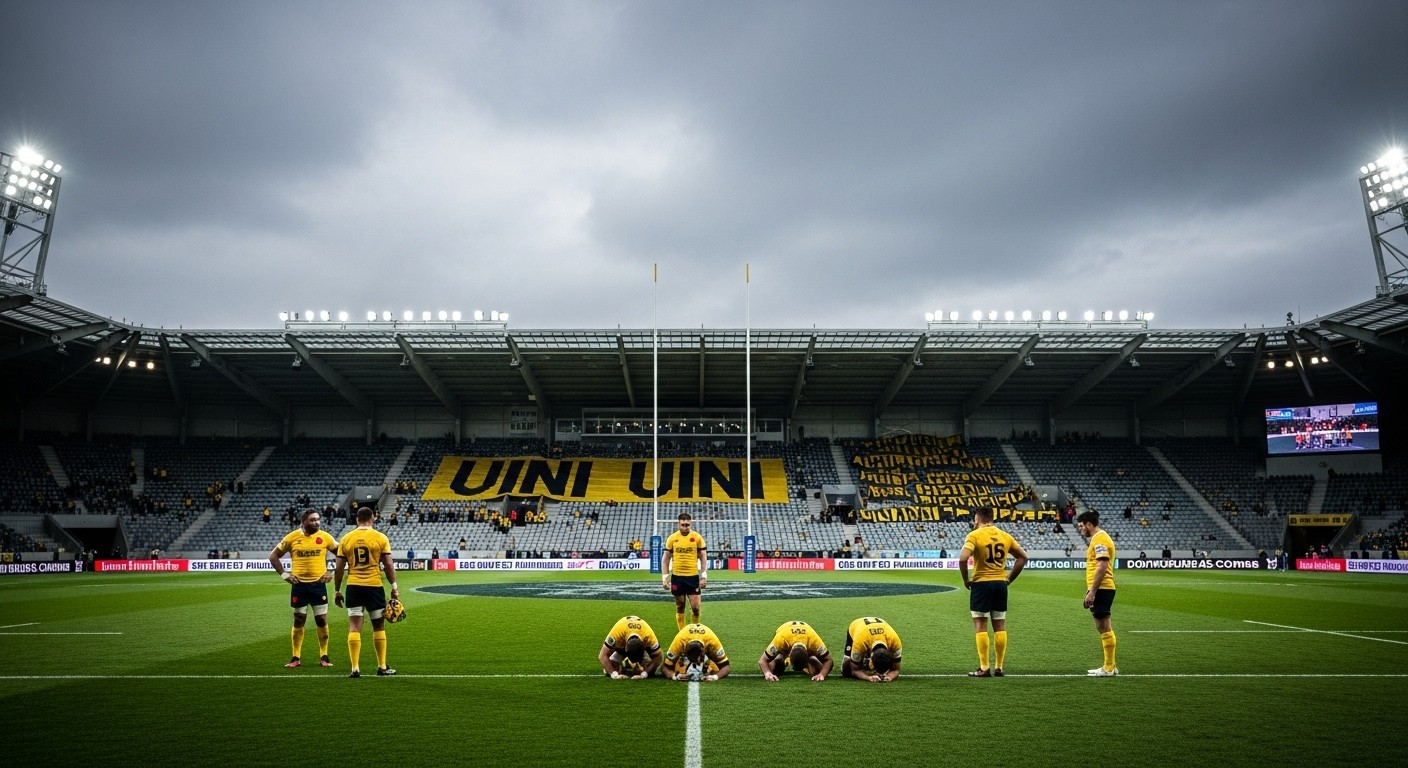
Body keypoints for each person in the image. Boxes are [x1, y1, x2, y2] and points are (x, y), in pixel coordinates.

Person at [958, 507, 1028, 677]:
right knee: (1000, 625)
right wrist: (1009, 579)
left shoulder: (974, 535)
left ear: (977, 519)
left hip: (982, 584)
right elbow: (1023, 557)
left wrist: (966, 579)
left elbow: (963, 558)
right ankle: (999, 667)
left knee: (981, 625)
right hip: (1000, 584)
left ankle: (984, 667)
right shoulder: (1005, 536)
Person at [268, 508, 340, 668]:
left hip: (318, 584)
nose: (317, 522)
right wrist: (284, 574)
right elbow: (273, 556)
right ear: (304, 521)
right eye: (313, 520)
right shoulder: (292, 538)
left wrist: (332, 572)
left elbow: (343, 554)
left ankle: (324, 656)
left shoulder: (325, 537)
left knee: (321, 619)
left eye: (318, 519)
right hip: (299, 585)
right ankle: (295, 657)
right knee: (299, 619)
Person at [334, 506, 400, 678]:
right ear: (373, 518)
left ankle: (355, 668)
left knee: (354, 627)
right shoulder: (380, 537)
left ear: (357, 519)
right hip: (373, 586)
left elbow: (339, 568)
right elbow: (388, 565)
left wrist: (337, 590)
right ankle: (382, 666)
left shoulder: (346, 539)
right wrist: (394, 588)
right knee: (378, 625)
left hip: (354, 587)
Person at [1076, 510, 1118, 677]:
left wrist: (1092, 591)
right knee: (1102, 627)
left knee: (1104, 627)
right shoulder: (1098, 538)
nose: (1080, 530)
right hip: (1101, 588)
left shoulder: (1100, 538)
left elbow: (1102, 565)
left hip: (1102, 588)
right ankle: (1110, 666)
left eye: (1081, 526)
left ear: (1089, 524)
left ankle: (1108, 667)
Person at [661, 511, 707, 630]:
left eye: (687, 525)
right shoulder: (672, 538)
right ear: (678, 524)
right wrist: (665, 577)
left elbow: (703, 557)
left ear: (690, 524)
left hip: (692, 577)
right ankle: (682, 632)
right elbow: (666, 558)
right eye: (683, 525)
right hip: (677, 577)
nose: (685, 527)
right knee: (680, 605)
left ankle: (693, 629)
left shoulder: (697, 537)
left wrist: (704, 576)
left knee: (696, 608)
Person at [758, 620, 833, 682]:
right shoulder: (780, 640)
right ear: (789, 654)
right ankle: (783, 660)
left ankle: (810, 661)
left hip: (807, 635)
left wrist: (821, 675)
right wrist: (768, 674)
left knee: (818, 671)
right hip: (784, 630)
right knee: (772, 669)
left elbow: (829, 660)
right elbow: (762, 661)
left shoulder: (814, 642)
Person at [599, 615, 663, 679]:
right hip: (621, 648)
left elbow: (659, 656)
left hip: (635, 645)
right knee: (608, 670)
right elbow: (602, 655)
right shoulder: (618, 632)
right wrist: (614, 674)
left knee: (650, 670)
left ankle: (630, 665)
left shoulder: (648, 636)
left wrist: (645, 674)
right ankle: (626, 664)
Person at [843, 616, 902, 682]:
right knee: (846, 670)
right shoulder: (860, 643)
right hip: (857, 626)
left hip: (880, 630)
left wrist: (890, 677)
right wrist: (868, 677)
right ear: (871, 656)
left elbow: (896, 669)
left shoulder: (896, 643)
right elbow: (854, 670)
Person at [664, 622, 730, 681]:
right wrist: (675, 676)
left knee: (716, 669)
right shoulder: (679, 642)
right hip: (685, 636)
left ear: (704, 651)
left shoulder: (712, 642)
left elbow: (726, 667)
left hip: (707, 637)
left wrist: (715, 677)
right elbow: (664, 667)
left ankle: (708, 665)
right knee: (672, 665)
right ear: (684, 650)